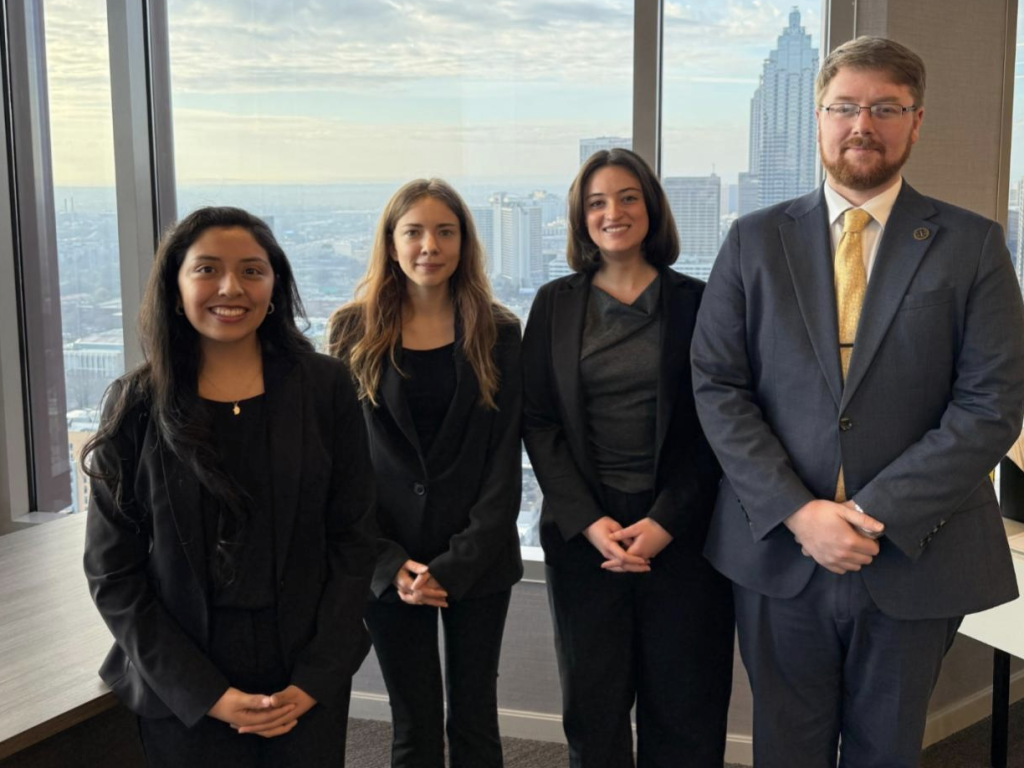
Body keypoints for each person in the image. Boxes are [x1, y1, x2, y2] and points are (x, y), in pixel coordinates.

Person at [691, 36, 1024, 768]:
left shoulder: (972, 246)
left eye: (884, 108)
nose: (861, 125)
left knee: (887, 752)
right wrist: (800, 513)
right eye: (843, 107)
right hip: (781, 551)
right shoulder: (751, 241)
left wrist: (870, 517)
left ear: (916, 121)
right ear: (817, 119)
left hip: (913, 552)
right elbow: (718, 385)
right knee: (787, 750)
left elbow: (991, 404)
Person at [82, 206, 375, 767]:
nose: (230, 288)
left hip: (303, 672)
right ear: (175, 287)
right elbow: (112, 572)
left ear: (275, 285)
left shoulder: (325, 387)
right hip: (184, 683)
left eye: (251, 271)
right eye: (207, 270)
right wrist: (207, 696)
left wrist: (317, 677)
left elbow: (354, 540)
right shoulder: (136, 405)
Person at [522, 148, 734, 768]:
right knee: (594, 711)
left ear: (651, 208)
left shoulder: (700, 302)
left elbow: (716, 426)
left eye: (627, 197)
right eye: (596, 202)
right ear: (580, 218)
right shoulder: (554, 304)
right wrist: (589, 522)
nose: (612, 212)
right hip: (586, 535)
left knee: (686, 711)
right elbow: (538, 422)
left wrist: (667, 521)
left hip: (683, 532)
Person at [327, 178, 523, 768]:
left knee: (475, 722)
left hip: (479, 560)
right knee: (411, 724)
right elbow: (342, 465)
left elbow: (504, 461)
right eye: (413, 231)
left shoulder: (500, 331)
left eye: (445, 231)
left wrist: (459, 562)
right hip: (388, 562)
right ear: (390, 243)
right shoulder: (350, 332)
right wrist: (389, 563)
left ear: (464, 243)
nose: (429, 246)